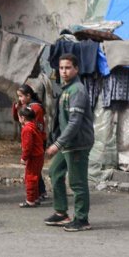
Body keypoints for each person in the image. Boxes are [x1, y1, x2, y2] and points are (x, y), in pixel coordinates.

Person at [43, 53, 94, 232]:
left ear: (76, 69)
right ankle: (61, 213)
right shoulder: (66, 89)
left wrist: (57, 144)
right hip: (67, 143)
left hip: (78, 143)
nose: (64, 71)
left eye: (68, 68)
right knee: (55, 172)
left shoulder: (77, 90)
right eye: (61, 68)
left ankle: (82, 219)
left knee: (77, 182)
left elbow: (75, 122)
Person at [13, 82, 46, 205]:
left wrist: (24, 157)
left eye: (21, 96)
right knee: (35, 174)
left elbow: (28, 145)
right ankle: (36, 196)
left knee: (31, 176)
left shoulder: (28, 127)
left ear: (28, 95)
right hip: (38, 151)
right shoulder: (30, 124)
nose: (20, 99)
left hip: (34, 152)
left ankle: (31, 199)